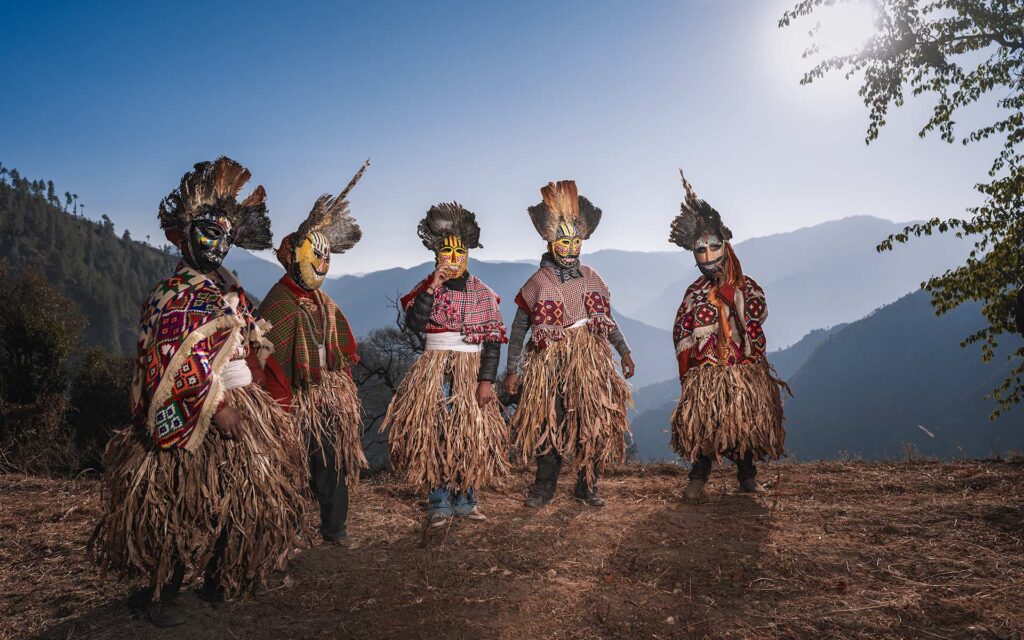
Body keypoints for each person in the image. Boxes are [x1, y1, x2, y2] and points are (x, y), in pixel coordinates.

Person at [91, 157, 307, 627]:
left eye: (224, 235)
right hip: (192, 415)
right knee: (174, 504)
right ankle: (161, 594)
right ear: (185, 235)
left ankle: (222, 577)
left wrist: (258, 353)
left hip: (243, 406)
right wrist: (220, 405)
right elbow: (171, 359)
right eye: (209, 232)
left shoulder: (225, 287)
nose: (217, 242)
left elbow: (244, 335)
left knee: (247, 493)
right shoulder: (173, 295)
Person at [259, 161, 370, 549]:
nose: (322, 264)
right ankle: (284, 536)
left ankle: (334, 528)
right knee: (288, 468)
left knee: (332, 463)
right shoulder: (278, 304)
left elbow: (343, 346)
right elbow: (266, 359)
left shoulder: (324, 301)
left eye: (326, 258)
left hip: (326, 399)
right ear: (294, 258)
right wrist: (281, 408)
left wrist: (341, 387)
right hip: (292, 402)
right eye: (316, 257)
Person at [505, 180, 635, 509]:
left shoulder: (591, 277)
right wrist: (511, 370)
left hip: (587, 359)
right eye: (563, 241)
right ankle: (543, 487)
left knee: (588, 420)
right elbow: (520, 327)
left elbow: (605, 319)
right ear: (551, 243)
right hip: (548, 361)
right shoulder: (538, 282)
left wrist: (625, 352)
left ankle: (586, 485)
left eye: (575, 240)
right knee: (550, 420)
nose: (570, 247)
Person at [381, 202, 509, 527]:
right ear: (437, 257)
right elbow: (414, 324)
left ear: (467, 255)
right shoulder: (427, 289)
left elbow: (492, 341)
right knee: (437, 431)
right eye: (446, 255)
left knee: (470, 435)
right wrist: (431, 289)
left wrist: (486, 381)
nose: (452, 261)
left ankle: (466, 499)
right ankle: (439, 501)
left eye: (458, 254)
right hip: (435, 370)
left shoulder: (482, 294)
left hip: (471, 370)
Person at [667, 170, 787, 498]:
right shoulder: (693, 293)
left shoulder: (745, 286)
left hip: (741, 370)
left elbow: (759, 312)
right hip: (708, 375)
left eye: (712, 247)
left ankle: (747, 477)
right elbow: (681, 331)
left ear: (725, 246)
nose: (707, 255)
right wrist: (692, 366)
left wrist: (733, 296)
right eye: (700, 250)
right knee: (708, 424)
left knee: (744, 422)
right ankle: (697, 478)